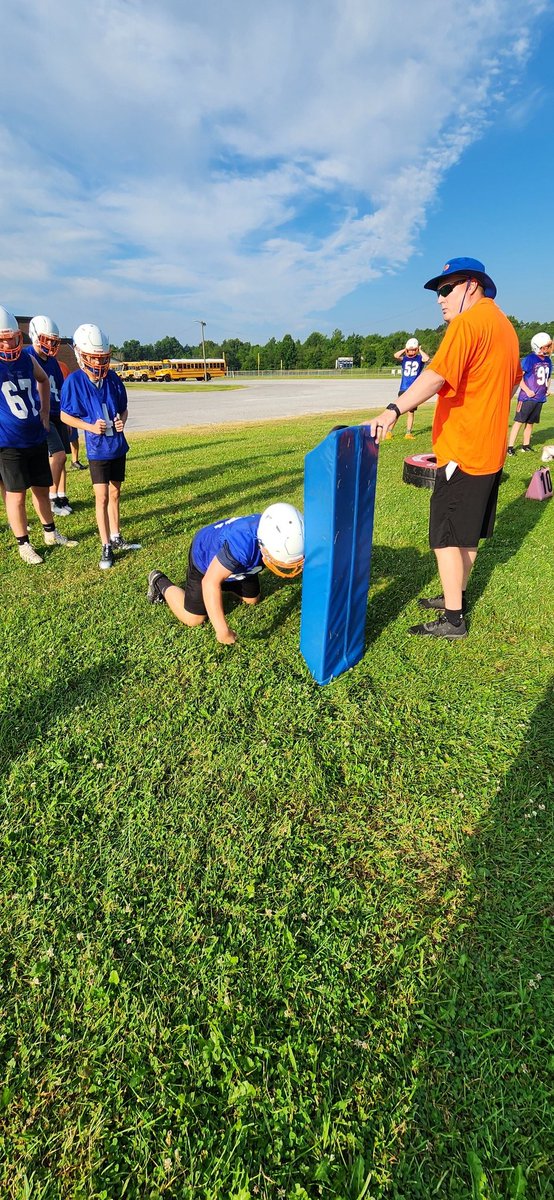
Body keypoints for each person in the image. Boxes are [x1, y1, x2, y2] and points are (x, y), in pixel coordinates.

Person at [367, 256, 522, 639]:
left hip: (465, 452)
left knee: (445, 537)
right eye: (439, 292)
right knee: (465, 534)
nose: (440, 299)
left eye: (446, 289)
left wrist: (393, 409)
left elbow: (434, 375)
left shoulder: (467, 323)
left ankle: (453, 620)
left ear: (472, 284)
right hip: (490, 449)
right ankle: (456, 596)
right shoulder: (504, 325)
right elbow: (513, 383)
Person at [147, 502, 304, 645]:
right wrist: (222, 631)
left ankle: (224, 581)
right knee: (194, 618)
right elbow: (209, 582)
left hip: (237, 564)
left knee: (252, 600)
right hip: (205, 558)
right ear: (263, 546)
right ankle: (159, 581)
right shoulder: (242, 545)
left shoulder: (289, 529)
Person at [0, 306, 78, 565]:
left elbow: (43, 380)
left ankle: (50, 533)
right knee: (16, 495)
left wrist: (44, 412)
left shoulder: (26, 358)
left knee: (42, 491)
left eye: (11, 336)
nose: (9, 342)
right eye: (3, 338)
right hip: (8, 442)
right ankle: (23, 543)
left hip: (34, 435)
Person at [60, 323, 141, 570]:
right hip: (97, 448)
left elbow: (124, 408)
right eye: (93, 358)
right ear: (81, 355)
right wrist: (88, 426)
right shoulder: (75, 381)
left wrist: (121, 421)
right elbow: (65, 416)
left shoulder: (112, 379)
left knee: (116, 493)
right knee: (102, 496)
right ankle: (105, 544)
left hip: (116, 445)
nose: (98, 363)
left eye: (102, 358)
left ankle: (116, 537)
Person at [28, 315, 73, 517]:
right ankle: (50, 496)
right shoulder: (28, 357)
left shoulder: (53, 362)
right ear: (35, 336)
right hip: (42, 414)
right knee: (58, 455)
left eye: (53, 340)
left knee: (62, 457)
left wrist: (67, 415)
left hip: (57, 413)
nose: (51, 344)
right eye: (47, 339)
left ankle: (59, 496)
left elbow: (61, 389)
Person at [506, 332, 552, 456]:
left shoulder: (548, 360)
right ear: (538, 346)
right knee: (519, 421)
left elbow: (547, 377)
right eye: (546, 346)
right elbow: (519, 376)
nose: (548, 348)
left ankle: (525, 445)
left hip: (539, 397)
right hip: (527, 397)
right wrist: (527, 390)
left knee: (530, 423)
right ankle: (510, 447)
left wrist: (546, 388)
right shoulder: (530, 359)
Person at [392, 337, 430, 438]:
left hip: (414, 389)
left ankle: (408, 432)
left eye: (413, 350)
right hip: (404, 388)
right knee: (397, 411)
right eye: (410, 350)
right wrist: (405, 350)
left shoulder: (419, 358)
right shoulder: (405, 358)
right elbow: (395, 355)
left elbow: (426, 358)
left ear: (417, 349)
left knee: (410, 412)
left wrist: (420, 350)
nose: (411, 352)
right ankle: (389, 431)